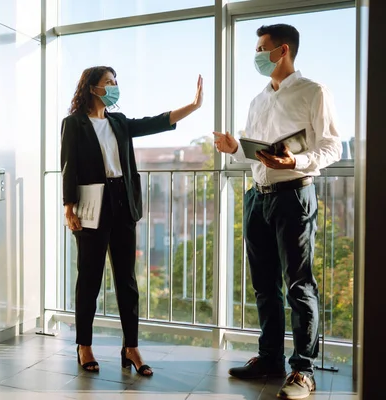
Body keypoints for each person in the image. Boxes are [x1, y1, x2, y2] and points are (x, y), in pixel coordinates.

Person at [214, 24, 342, 399]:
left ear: (282, 50)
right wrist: (234, 147)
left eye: (261, 48)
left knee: (299, 285)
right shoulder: (258, 100)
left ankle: (303, 371)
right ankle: (270, 358)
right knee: (264, 285)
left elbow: (332, 147)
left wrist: (296, 161)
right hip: (259, 196)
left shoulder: (314, 92)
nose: (256, 54)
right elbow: (253, 153)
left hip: (294, 196)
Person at [61, 66, 203, 376]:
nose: (114, 87)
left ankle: (131, 347)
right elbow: (68, 166)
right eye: (108, 82)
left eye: (115, 82)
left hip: (123, 203)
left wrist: (192, 106)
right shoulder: (74, 124)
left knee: (127, 280)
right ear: (91, 87)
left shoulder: (119, 122)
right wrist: (68, 208)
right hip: (91, 204)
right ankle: (84, 345)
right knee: (89, 279)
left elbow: (155, 122)